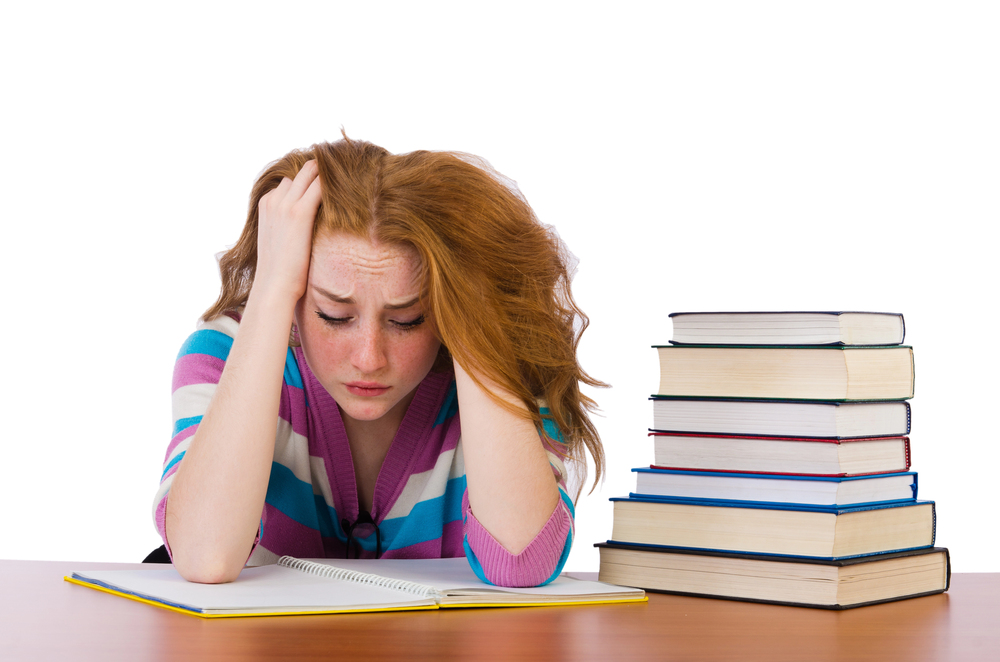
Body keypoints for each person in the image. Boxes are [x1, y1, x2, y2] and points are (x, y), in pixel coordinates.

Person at [153, 134, 605, 588]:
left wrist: (473, 308)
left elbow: (520, 564)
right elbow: (205, 556)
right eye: (334, 315)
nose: (369, 359)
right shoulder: (223, 354)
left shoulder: (506, 366)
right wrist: (270, 288)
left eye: (407, 320)